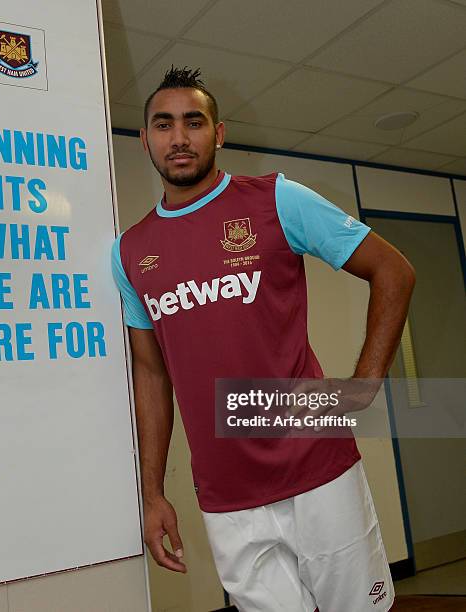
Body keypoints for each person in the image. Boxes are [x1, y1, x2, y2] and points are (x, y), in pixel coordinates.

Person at [111, 66, 415, 612]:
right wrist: (152, 492)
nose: (179, 138)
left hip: (317, 468)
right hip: (225, 493)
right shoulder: (130, 251)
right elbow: (151, 373)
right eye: (163, 124)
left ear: (218, 133)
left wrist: (363, 387)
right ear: (146, 140)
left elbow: (393, 271)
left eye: (193, 122)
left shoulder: (278, 199)